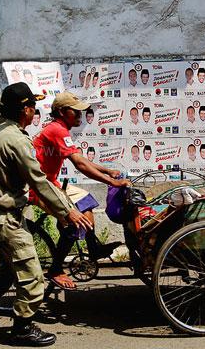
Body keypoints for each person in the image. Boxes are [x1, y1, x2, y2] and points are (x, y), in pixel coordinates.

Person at [0, 83, 92, 346]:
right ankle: (22, 328)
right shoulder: (18, 140)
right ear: (25, 110)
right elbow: (39, 181)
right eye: (32, 107)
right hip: (7, 218)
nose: (35, 112)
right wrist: (68, 210)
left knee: (8, 272)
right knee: (32, 275)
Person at [32, 92, 131, 290]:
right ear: (61, 112)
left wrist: (107, 170)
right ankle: (56, 270)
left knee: (87, 201)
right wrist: (112, 181)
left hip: (51, 183)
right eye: (75, 111)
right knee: (72, 224)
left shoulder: (60, 129)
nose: (80, 115)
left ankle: (93, 250)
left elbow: (81, 160)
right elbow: (80, 165)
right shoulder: (56, 130)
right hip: (38, 188)